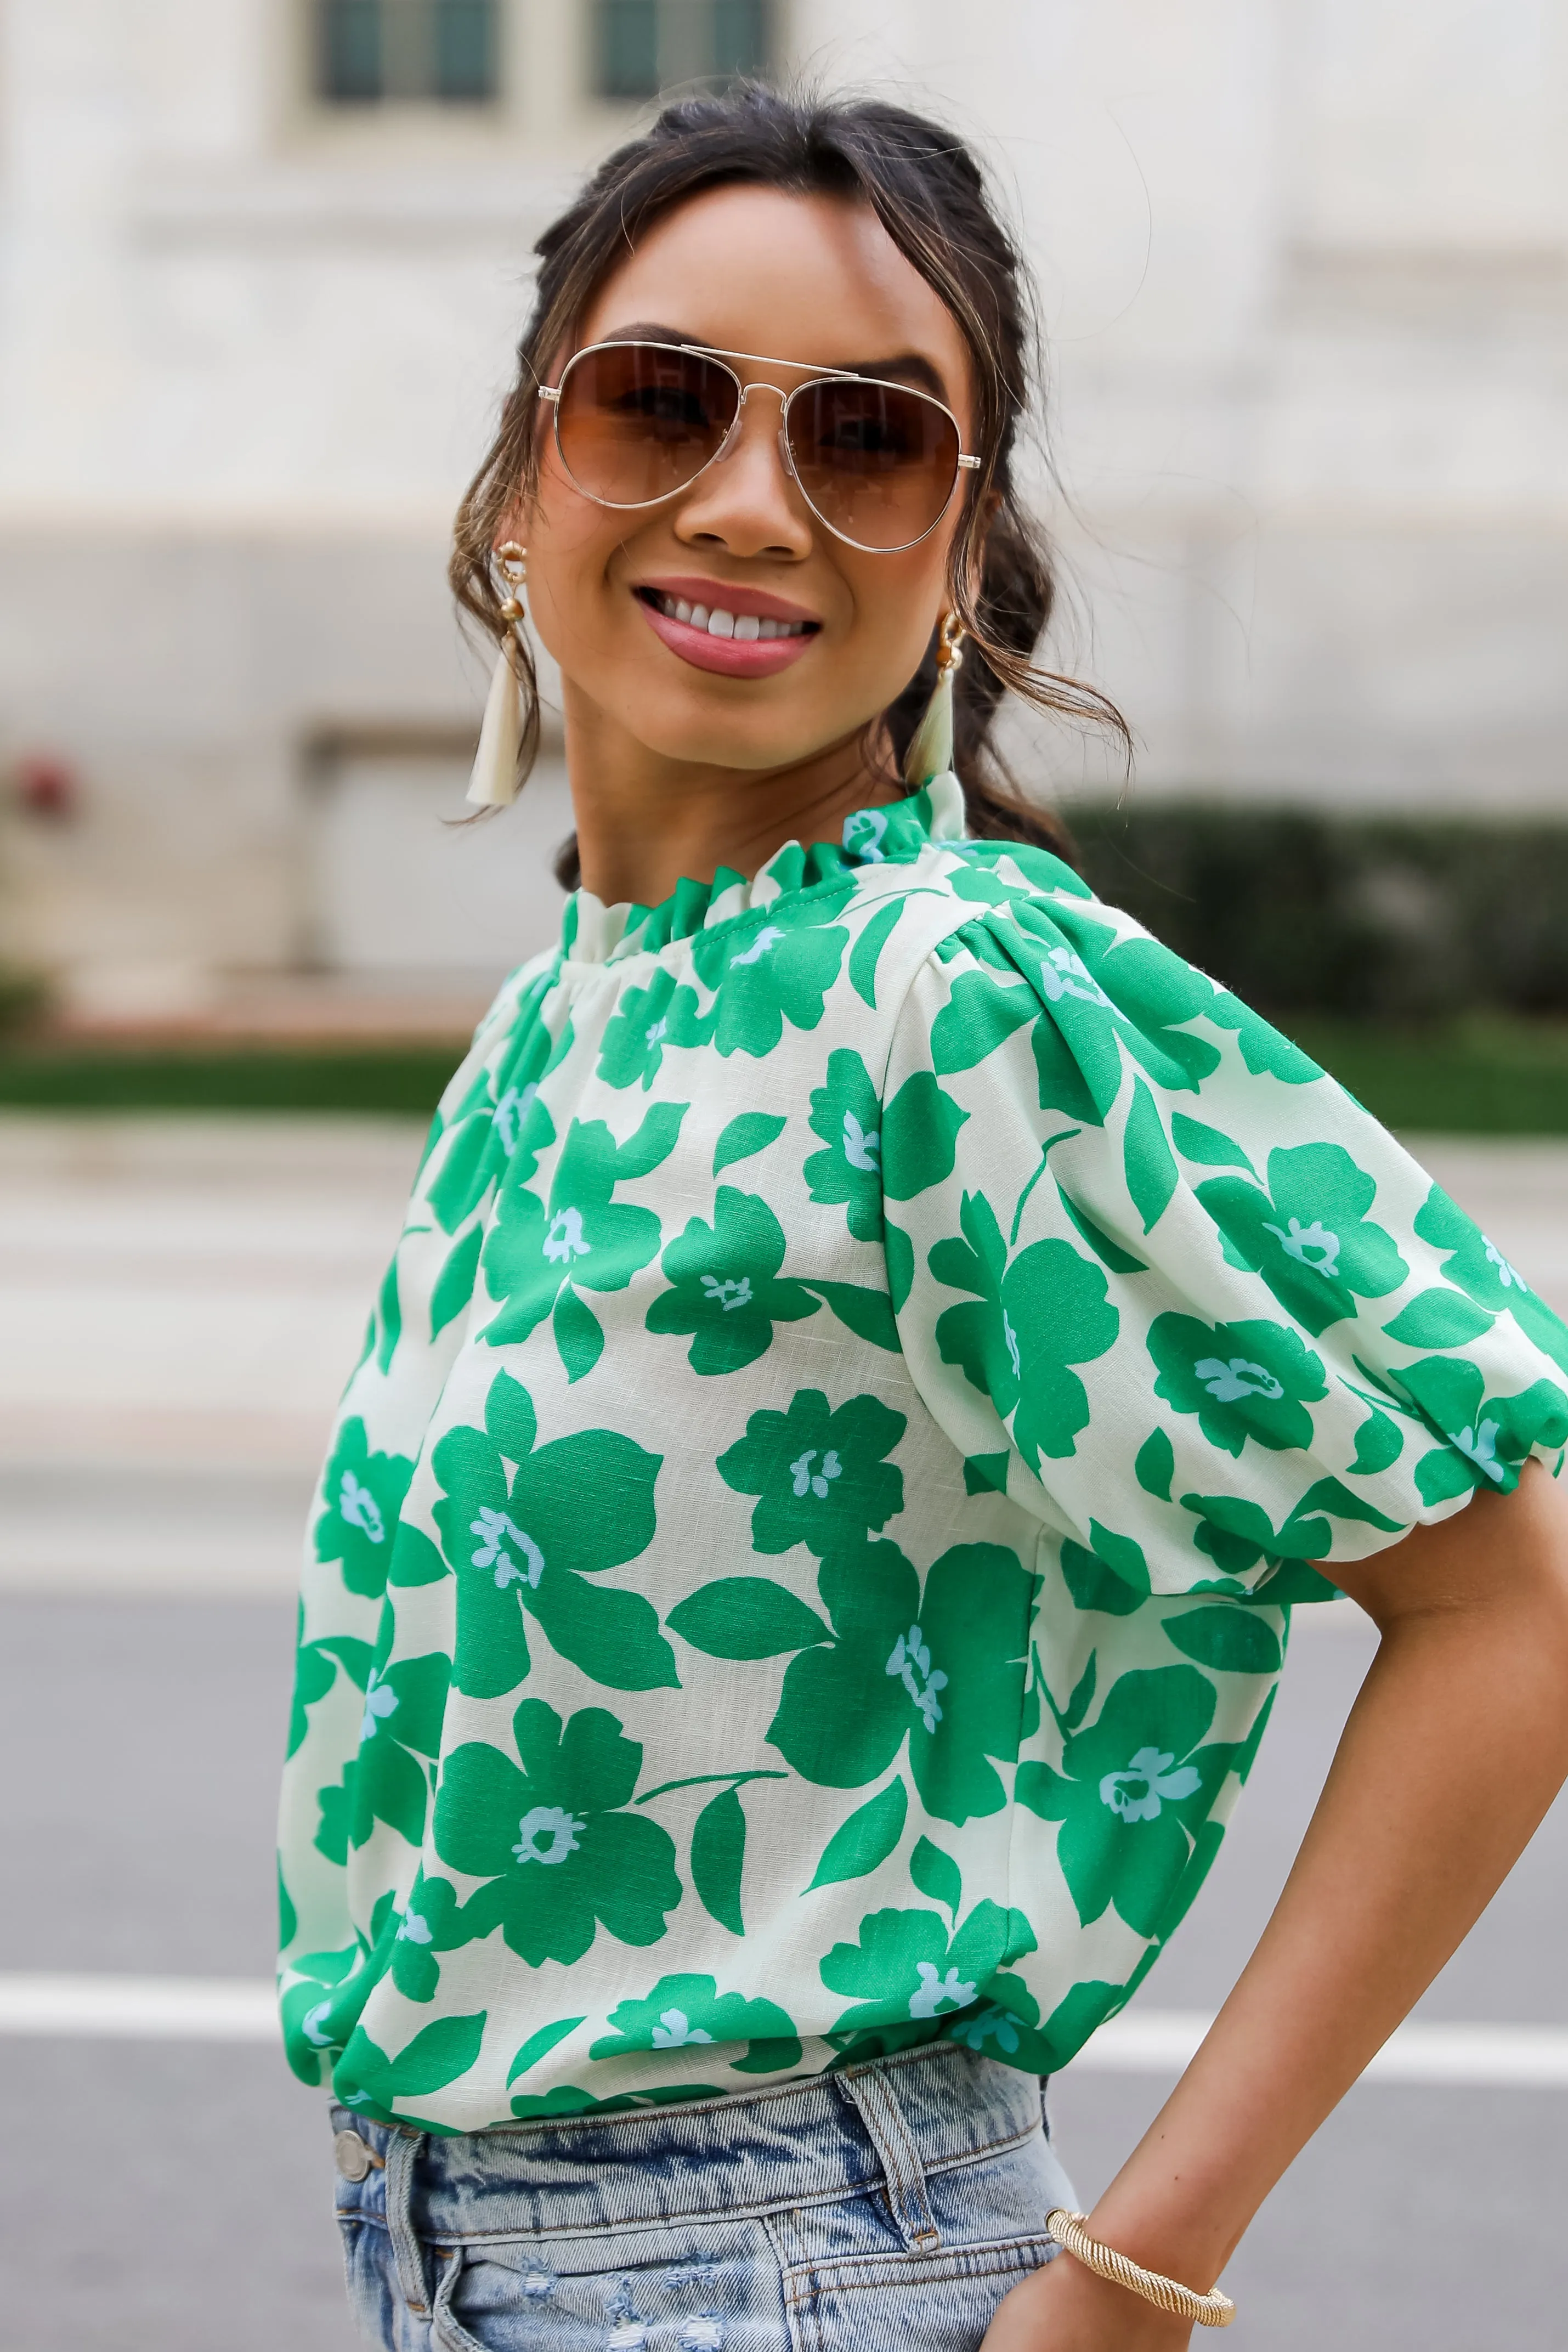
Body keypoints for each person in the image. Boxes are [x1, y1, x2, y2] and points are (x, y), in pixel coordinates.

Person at [278, 84, 1568, 2351]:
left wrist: (1133, 2286)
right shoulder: (560, 1019)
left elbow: (1513, 1599)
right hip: (457, 2249)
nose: (750, 502)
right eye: (657, 402)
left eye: (867, 441)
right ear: (519, 480)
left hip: (791, 2272)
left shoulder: (958, 995)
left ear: (961, 547)